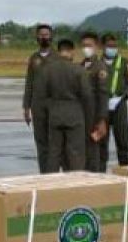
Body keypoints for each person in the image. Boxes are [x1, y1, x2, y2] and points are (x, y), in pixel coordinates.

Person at [40, 39, 93, 172]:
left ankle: (50, 184)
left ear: (58, 52)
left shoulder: (48, 70)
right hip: (75, 115)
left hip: (55, 114)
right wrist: (89, 118)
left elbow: (42, 95)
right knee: (75, 154)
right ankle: (74, 184)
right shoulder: (79, 70)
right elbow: (87, 96)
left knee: (54, 153)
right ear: (72, 51)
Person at [100, 32, 128, 168]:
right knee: (101, 143)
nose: (112, 49)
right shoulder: (97, 63)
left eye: (115, 46)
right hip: (102, 106)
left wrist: (124, 96)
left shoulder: (124, 63)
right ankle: (100, 172)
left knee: (124, 141)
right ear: (103, 47)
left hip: (119, 104)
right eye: (109, 46)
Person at [22, 24, 55, 172]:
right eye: (41, 34)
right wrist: (26, 107)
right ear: (37, 37)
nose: (44, 37)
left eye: (46, 34)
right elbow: (29, 83)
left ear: (51, 36)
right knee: (41, 142)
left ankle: (56, 172)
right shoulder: (33, 59)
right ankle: (44, 173)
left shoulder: (58, 57)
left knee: (55, 141)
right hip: (38, 106)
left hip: (55, 105)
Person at [80, 31, 109, 172]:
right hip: (81, 114)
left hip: (94, 114)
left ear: (96, 47)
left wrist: (102, 119)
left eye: (89, 45)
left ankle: (95, 178)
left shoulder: (100, 67)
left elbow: (103, 94)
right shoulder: (80, 66)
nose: (86, 48)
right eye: (84, 45)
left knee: (93, 150)